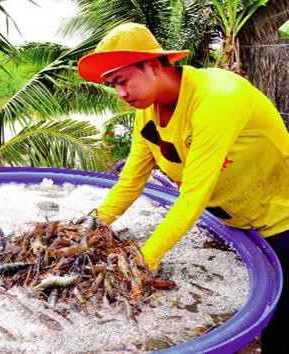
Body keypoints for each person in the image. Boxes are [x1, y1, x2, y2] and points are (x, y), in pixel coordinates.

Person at [77, 22, 289, 352]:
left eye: (121, 81)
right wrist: (90, 226)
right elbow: (131, 182)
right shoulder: (147, 114)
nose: (120, 94)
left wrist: (139, 264)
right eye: (112, 86)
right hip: (235, 221)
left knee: (281, 320)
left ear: (150, 64)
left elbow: (192, 196)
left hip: (282, 219)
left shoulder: (217, 98)